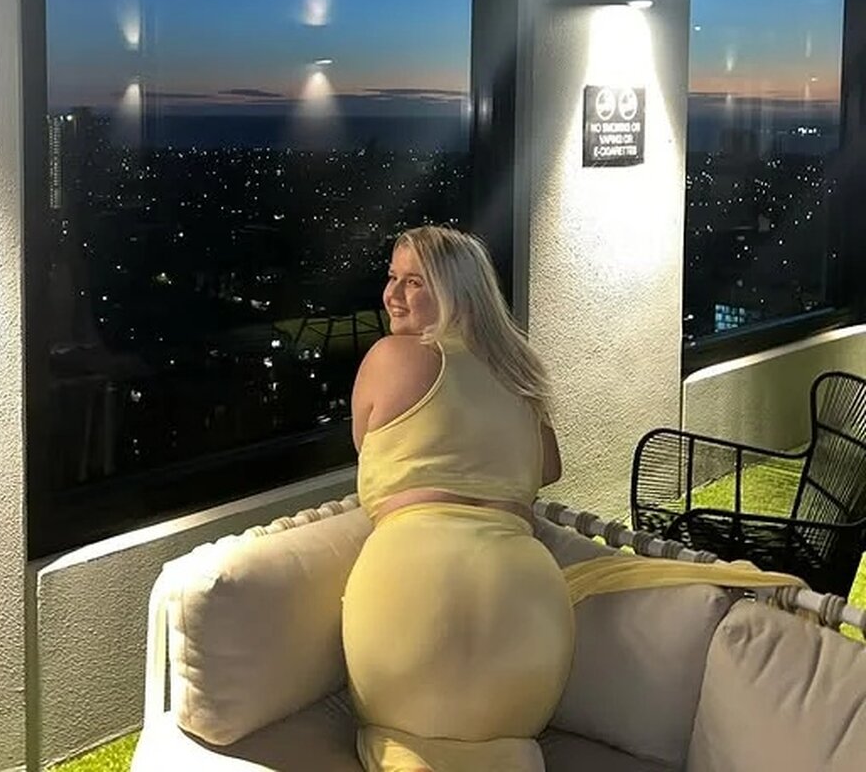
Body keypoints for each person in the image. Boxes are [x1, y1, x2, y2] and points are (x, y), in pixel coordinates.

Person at [341, 226, 804, 772]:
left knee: (408, 740)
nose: (392, 295)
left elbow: (367, 446)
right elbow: (550, 467)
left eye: (414, 282)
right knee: (502, 741)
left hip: (409, 590)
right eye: (392, 278)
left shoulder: (391, 356)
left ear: (456, 291)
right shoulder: (517, 373)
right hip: (526, 609)